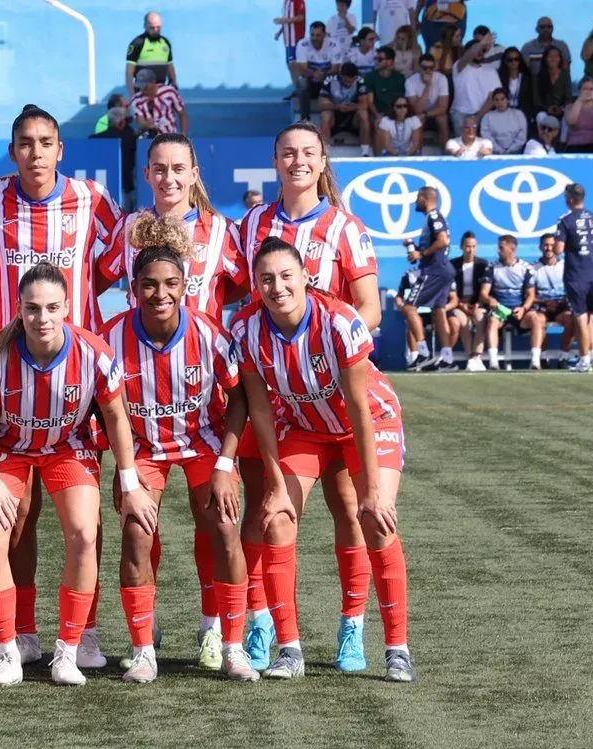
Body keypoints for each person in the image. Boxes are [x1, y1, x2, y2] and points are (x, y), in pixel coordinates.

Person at [0, 262, 153, 687]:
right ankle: (7, 653)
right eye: (33, 308)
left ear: (67, 308)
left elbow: (115, 417)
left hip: (66, 447)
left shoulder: (93, 353)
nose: (43, 318)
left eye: (52, 308)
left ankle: (68, 652)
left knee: (85, 532)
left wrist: (129, 481)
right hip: (7, 449)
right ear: (19, 309)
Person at [0, 106, 121, 670]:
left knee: (87, 519)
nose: (36, 152)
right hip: (6, 377)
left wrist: (72, 307)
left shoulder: (92, 201)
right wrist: (3, 310)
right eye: (26, 143)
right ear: (13, 151)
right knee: (16, 510)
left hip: (74, 378)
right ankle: (23, 633)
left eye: (46, 142)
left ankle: (86, 632)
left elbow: (108, 265)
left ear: (61, 150)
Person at [231, 237, 417, 683]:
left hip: (367, 420)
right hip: (304, 426)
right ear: (256, 284)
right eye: (267, 279)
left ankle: (394, 647)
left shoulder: (339, 321)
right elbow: (259, 409)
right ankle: (289, 648)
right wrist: (276, 483)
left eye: (286, 276)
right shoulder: (246, 328)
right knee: (276, 517)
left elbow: (357, 407)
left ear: (305, 279)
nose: (278, 287)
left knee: (374, 517)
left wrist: (372, 490)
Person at [239, 121, 381, 675]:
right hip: (271, 398)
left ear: (322, 161)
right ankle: (260, 623)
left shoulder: (345, 227)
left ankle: (351, 629)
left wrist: (330, 356)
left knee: (349, 508)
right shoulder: (252, 224)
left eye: (308, 153)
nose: (297, 161)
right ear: (274, 161)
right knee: (266, 510)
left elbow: (369, 308)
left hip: (331, 398)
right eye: (287, 153)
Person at [100, 215, 263, 682]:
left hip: (203, 443)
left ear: (186, 285)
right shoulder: (111, 337)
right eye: (149, 285)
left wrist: (227, 464)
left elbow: (239, 400)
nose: (160, 294)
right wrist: (124, 471)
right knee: (135, 532)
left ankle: (231, 645)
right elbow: (102, 410)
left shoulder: (211, 334)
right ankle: (143, 648)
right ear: (133, 289)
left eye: (171, 283)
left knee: (225, 527)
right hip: (144, 449)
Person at [98, 133, 245, 323]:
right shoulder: (130, 226)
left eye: (178, 169)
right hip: (142, 348)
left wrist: (209, 296)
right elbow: (95, 281)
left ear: (193, 175)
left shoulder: (221, 229)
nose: (168, 179)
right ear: (147, 174)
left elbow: (244, 286)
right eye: (159, 169)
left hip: (201, 349)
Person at [555, 183, 593, 372]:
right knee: (590, 318)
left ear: (570, 199)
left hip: (575, 274)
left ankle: (585, 358)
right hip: (592, 274)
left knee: (580, 316)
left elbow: (558, 249)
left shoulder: (565, 220)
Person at [403, 186, 456, 372]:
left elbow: (442, 241)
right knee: (438, 311)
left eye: (418, 197)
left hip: (435, 269)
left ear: (425, 198)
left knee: (409, 307)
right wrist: (414, 248)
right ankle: (447, 357)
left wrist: (421, 254)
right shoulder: (431, 218)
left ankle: (423, 351)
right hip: (441, 268)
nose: (416, 201)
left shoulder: (434, 216)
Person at [481, 235, 542, 370]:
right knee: (492, 320)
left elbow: (531, 295)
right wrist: (491, 300)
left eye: (501, 248)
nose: (498, 251)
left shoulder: (526, 268)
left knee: (535, 319)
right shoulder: (492, 268)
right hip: (500, 309)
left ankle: (536, 360)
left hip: (519, 310)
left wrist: (523, 308)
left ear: (512, 249)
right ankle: (493, 362)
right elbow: (484, 293)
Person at [89, 99, 140, 214]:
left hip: (98, 185)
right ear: (122, 122)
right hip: (125, 185)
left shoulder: (93, 139)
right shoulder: (129, 137)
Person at [449, 231, 490, 371]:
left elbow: (486, 289)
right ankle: (471, 355)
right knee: (463, 322)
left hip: (478, 304)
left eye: (473, 246)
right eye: (467, 246)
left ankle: (477, 355)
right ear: (461, 247)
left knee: (480, 318)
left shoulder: (483, 265)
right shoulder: (453, 265)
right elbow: (451, 291)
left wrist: (477, 304)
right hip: (459, 305)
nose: (470, 249)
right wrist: (462, 305)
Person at [533, 234, 574, 368]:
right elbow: (529, 295)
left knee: (571, 320)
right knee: (538, 320)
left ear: (557, 247)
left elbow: (573, 290)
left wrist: (562, 301)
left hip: (562, 306)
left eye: (551, 245)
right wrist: (543, 302)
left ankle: (563, 357)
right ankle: (543, 358)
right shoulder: (533, 268)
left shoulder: (567, 266)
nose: (548, 248)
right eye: (545, 245)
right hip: (542, 307)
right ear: (540, 247)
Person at [452, 31, 502, 133]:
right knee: (462, 147)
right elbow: (468, 56)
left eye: (483, 50)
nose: (480, 52)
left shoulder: (491, 70)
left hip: (484, 113)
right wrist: (481, 44)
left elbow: (493, 97)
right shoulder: (459, 66)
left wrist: (478, 117)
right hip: (461, 113)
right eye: (477, 50)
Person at [318, 62, 373, 157]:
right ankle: (324, 153)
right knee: (325, 115)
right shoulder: (329, 80)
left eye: (351, 81)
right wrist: (338, 107)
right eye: (346, 81)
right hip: (334, 114)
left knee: (363, 113)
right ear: (341, 75)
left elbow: (364, 104)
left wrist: (350, 107)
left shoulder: (360, 81)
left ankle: (365, 152)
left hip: (353, 117)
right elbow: (322, 104)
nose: (348, 84)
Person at [293, 21, 342, 122]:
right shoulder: (302, 44)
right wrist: (314, 74)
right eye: (312, 35)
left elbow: (335, 69)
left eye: (318, 35)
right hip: (311, 81)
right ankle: (305, 120)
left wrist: (323, 74)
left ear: (324, 35)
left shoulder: (334, 45)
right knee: (302, 82)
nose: (314, 38)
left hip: (328, 80)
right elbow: (302, 69)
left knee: (337, 82)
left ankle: (338, 120)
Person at [125, 10, 177, 96]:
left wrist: (174, 86)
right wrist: (132, 95)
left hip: (161, 92)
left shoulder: (166, 43)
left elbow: (170, 68)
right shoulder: (137, 44)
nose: (156, 30)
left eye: (158, 27)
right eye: (152, 28)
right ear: (145, 26)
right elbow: (129, 73)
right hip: (142, 92)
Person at [406, 53, 451, 146]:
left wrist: (426, 114)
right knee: (418, 120)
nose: (428, 71)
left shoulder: (441, 79)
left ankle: (446, 154)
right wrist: (427, 86)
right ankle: (418, 154)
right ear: (419, 68)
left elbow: (443, 108)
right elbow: (416, 110)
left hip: (434, 113)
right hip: (419, 114)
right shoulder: (410, 81)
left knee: (443, 118)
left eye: (431, 68)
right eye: (424, 68)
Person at [131, 68, 189, 136]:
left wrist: (184, 135)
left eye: (145, 85)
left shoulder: (169, 91)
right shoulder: (136, 100)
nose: (142, 88)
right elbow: (141, 123)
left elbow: (182, 114)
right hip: (150, 139)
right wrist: (148, 125)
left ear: (153, 82)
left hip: (170, 136)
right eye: (140, 86)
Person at [366, 46, 409, 131]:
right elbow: (370, 102)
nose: (377, 61)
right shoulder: (370, 77)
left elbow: (402, 100)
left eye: (380, 59)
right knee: (379, 122)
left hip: (395, 113)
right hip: (377, 113)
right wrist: (378, 115)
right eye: (376, 58)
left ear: (390, 61)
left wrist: (397, 115)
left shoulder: (399, 78)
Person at [564, 78, 593, 154]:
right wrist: (580, 100)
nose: (588, 91)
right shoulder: (570, 107)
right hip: (576, 145)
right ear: (579, 91)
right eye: (585, 89)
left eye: (591, 89)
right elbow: (571, 121)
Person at [480, 87, 528, 155]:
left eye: (502, 99)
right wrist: (499, 149)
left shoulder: (518, 114)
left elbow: (522, 135)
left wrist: (511, 149)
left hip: (516, 152)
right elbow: (486, 135)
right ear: (493, 102)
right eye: (497, 100)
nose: (500, 102)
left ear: (507, 100)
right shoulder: (487, 117)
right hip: (494, 152)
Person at [534, 46, 573, 120]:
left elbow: (568, 98)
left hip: (562, 111)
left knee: (567, 118)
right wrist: (547, 109)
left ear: (560, 59)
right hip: (545, 111)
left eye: (556, 56)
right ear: (545, 59)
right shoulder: (538, 77)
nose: (553, 58)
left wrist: (561, 110)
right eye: (550, 56)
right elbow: (537, 100)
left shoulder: (565, 75)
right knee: (541, 116)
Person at [498, 47, 536, 122]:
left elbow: (531, 100)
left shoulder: (527, 78)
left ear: (520, 61)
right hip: (503, 113)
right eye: (510, 60)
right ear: (505, 61)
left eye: (516, 59)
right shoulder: (499, 78)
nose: (513, 62)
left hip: (523, 114)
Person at [274, 0, 308, 72]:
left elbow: (300, 17)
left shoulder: (298, 1)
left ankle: (302, 82)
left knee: (296, 65)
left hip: (296, 39)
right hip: (287, 41)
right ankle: (297, 82)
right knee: (290, 65)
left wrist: (282, 21)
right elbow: (286, 20)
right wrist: (279, 32)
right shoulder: (286, 2)